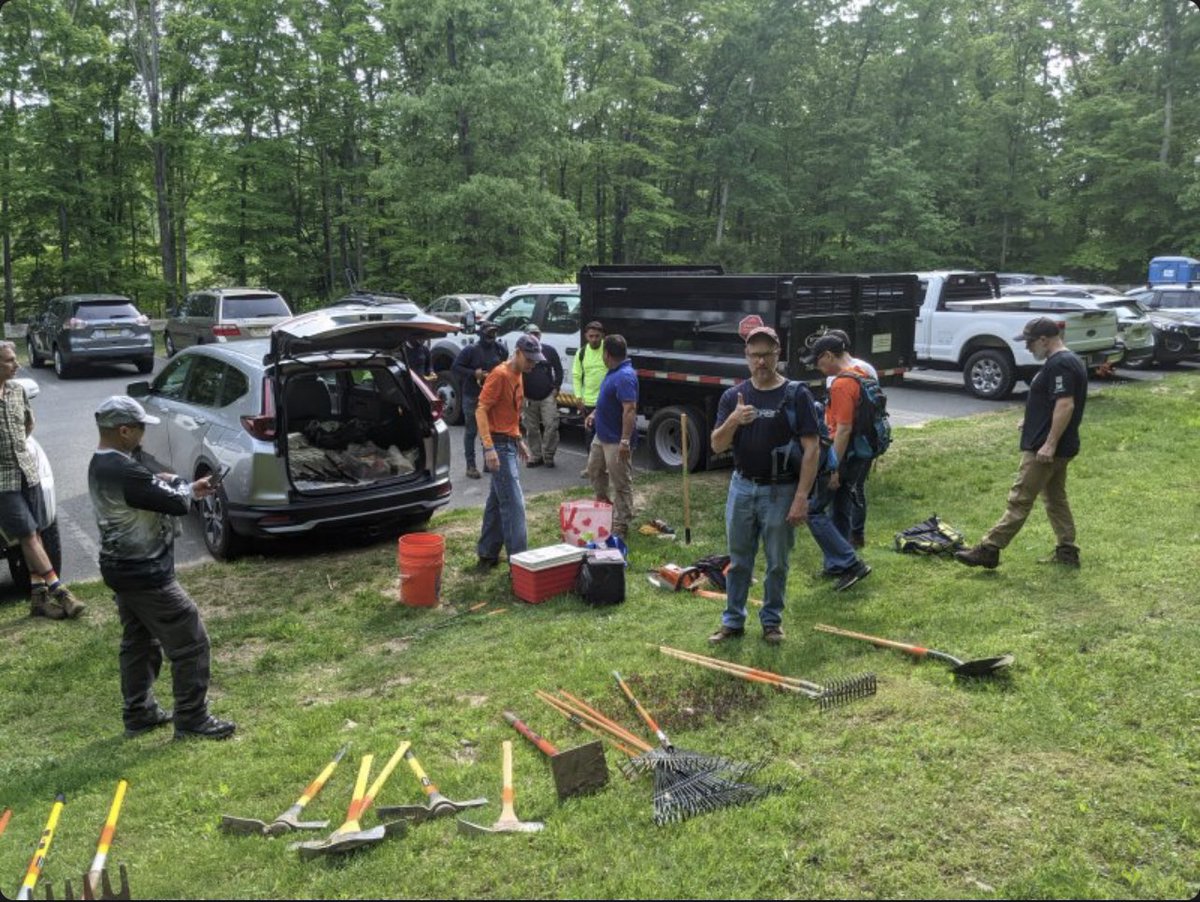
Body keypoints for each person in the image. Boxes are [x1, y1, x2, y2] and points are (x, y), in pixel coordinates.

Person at [87, 396, 236, 740]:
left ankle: (139, 713)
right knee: (190, 639)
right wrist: (185, 488)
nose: (144, 434)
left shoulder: (103, 464)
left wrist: (187, 487)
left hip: (120, 568)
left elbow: (156, 489)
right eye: (141, 428)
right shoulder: (125, 471)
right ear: (124, 431)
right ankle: (193, 719)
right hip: (145, 573)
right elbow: (174, 502)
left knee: (139, 641)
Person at [706, 322, 821, 646]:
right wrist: (734, 420)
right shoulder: (733, 397)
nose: (761, 362)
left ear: (777, 354)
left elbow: (812, 448)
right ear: (746, 356)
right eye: (755, 355)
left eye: (767, 354)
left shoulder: (796, 394)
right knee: (738, 560)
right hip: (742, 488)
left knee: (777, 562)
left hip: (781, 491)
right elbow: (716, 445)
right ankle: (733, 621)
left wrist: (801, 497)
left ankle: (771, 622)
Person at [955, 317, 1088, 569]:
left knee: (1020, 499)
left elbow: (1065, 404)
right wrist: (1031, 420)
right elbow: (1052, 402)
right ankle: (1067, 551)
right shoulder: (1068, 360)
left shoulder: (1060, 364)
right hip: (1060, 445)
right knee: (1055, 498)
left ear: (1043, 340)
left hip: (1045, 449)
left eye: (1030, 342)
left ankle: (989, 549)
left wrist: (1049, 443)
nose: (1027, 347)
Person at [0, 341, 83, 620]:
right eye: (10, 360)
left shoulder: (17, 390)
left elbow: (28, 424)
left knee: (36, 533)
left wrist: (16, 448)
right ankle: (60, 591)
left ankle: (38, 600)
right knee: (26, 534)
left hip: (28, 472)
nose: (17, 364)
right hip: (2, 482)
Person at [475, 333, 543, 570]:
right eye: (530, 359)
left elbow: (511, 413)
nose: (533, 364)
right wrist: (489, 447)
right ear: (518, 353)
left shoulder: (518, 373)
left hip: (508, 443)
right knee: (514, 505)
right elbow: (481, 410)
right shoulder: (500, 375)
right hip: (498, 446)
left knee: (498, 500)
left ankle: (487, 553)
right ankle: (521, 565)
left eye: (535, 360)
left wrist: (518, 439)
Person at [809, 333, 875, 549]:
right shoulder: (861, 373)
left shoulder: (841, 384)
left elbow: (843, 430)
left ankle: (841, 557)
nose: (817, 367)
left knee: (813, 510)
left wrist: (833, 467)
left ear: (828, 356)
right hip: (860, 452)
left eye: (818, 361)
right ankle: (844, 555)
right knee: (841, 508)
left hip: (844, 455)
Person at [585, 335, 637, 539]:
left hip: (616, 440)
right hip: (601, 435)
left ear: (607, 354)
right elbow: (607, 400)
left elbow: (630, 409)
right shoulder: (613, 372)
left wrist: (625, 440)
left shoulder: (624, 376)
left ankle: (621, 525)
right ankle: (604, 509)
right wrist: (594, 413)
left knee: (621, 482)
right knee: (594, 469)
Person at [452, 322, 508, 479]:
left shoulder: (500, 349)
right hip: (472, 396)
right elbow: (456, 367)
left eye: (494, 332)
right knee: (471, 431)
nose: (492, 335)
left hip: (491, 396)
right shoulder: (470, 350)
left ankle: (488, 462)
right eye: (489, 332)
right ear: (481, 334)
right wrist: (474, 373)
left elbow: (505, 365)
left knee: (489, 430)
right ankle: (471, 466)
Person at [520, 324, 563, 468]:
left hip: (547, 395)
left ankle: (548, 455)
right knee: (531, 428)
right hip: (528, 397)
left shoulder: (549, 350)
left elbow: (558, 370)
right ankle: (535, 456)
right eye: (531, 334)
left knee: (551, 425)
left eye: (537, 334)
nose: (534, 336)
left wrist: (556, 387)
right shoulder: (521, 353)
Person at [572, 321, 606, 474]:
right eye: (591, 336)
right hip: (588, 402)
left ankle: (605, 466)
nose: (594, 339)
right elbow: (576, 376)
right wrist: (578, 397)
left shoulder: (607, 350)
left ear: (602, 335)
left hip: (605, 402)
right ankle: (591, 467)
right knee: (590, 437)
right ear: (586, 336)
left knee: (605, 436)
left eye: (597, 336)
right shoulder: (582, 353)